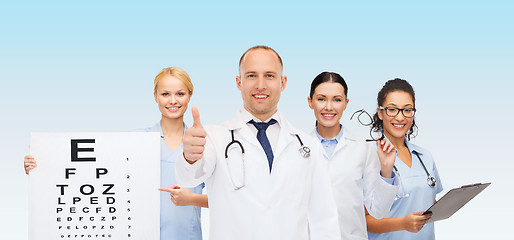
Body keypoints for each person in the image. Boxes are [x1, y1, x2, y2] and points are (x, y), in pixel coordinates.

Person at [175, 46, 341, 240]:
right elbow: (188, 178)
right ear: (239, 82)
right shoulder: (214, 138)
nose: (260, 85)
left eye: (269, 76)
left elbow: (324, 219)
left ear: (283, 82)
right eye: (251, 76)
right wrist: (189, 156)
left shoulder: (307, 145)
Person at [24, 67, 208, 240]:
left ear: (190, 95)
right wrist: (40, 166)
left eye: (180, 94)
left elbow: (225, 198)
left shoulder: (204, 144)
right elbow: (87, 172)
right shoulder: (132, 141)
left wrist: (191, 199)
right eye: (165, 94)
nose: (173, 100)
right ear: (155, 96)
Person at [307, 71, 399, 240]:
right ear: (310, 102)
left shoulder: (363, 149)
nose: (329, 107)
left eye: (337, 99)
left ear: (346, 103)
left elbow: (377, 210)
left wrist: (386, 169)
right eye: (321, 99)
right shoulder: (298, 148)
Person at [366, 78, 443, 240]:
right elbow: (363, 219)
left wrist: (451, 204)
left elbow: (428, 200)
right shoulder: (367, 156)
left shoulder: (425, 156)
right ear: (380, 113)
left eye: (407, 110)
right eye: (392, 109)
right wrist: (402, 224)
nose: (400, 118)